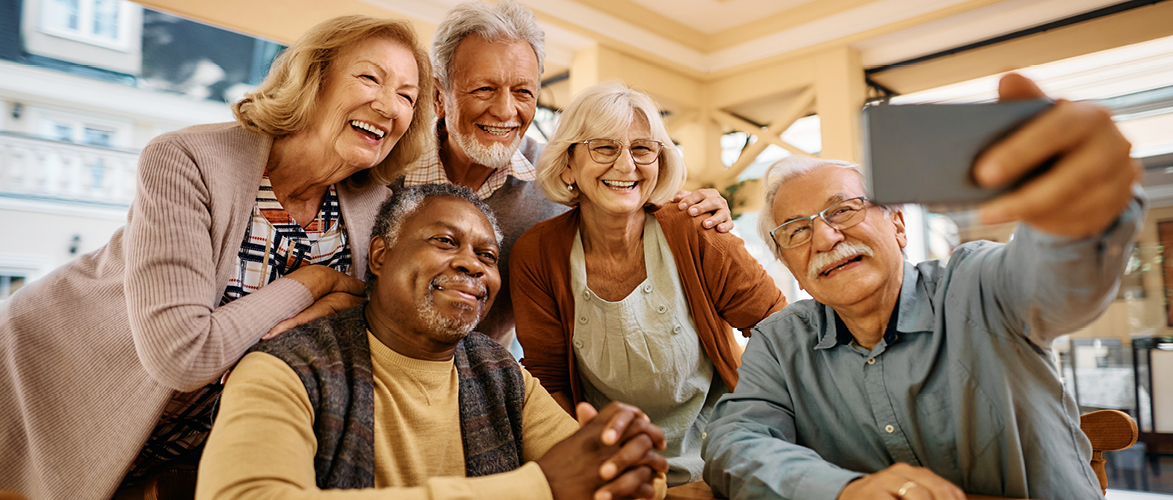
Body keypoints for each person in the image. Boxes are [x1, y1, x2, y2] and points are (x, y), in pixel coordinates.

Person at [0, 16, 435, 500]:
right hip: (59, 387)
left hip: (191, 444)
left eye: (407, 96)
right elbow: (183, 354)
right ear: (315, 78)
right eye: (370, 77)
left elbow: (366, 324)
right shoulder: (186, 158)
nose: (388, 105)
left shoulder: (375, 209)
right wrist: (310, 284)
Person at [701, 73, 1144, 500]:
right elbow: (733, 444)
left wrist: (1078, 218)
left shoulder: (977, 286)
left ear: (897, 224)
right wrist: (844, 490)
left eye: (843, 211)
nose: (824, 239)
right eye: (797, 231)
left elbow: (1058, 282)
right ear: (789, 265)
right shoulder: (781, 341)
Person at [196, 184, 669, 500]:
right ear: (380, 255)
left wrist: (628, 455)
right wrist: (538, 488)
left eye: (487, 255)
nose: (473, 265)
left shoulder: (499, 372)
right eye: (445, 242)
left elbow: (598, 470)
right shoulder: (285, 368)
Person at [398, 0, 734, 348]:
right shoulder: (386, 166)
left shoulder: (561, 175)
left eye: (523, 92)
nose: (504, 110)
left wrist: (699, 210)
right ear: (439, 95)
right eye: (484, 88)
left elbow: (630, 204)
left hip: (485, 377)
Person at [511, 81, 788, 487]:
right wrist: (599, 467)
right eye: (604, 148)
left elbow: (779, 330)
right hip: (615, 469)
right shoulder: (537, 252)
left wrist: (746, 434)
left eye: (642, 149)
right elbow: (549, 382)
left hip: (722, 461)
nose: (627, 166)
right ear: (568, 164)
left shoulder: (696, 227)